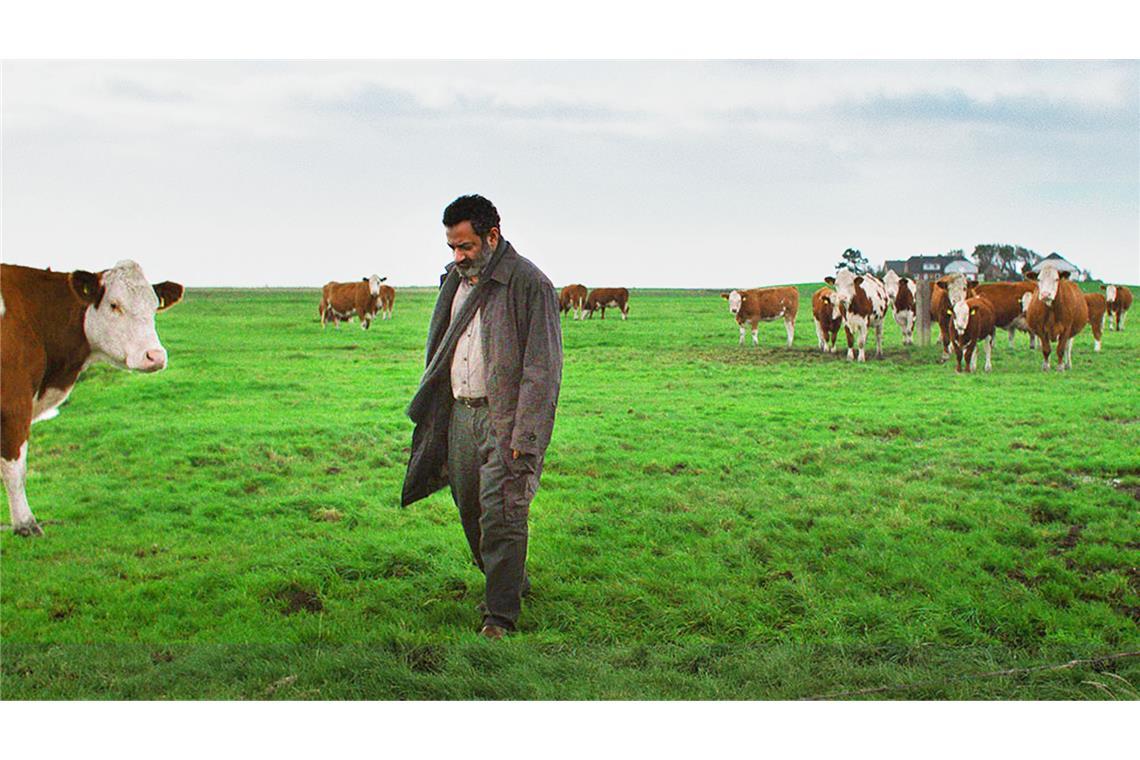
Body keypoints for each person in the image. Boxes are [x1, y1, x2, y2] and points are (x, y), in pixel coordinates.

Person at [402, 195, 562, 639]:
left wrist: (526, 434)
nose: (458, 257)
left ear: (492, 236)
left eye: (466, 247)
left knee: (502, 512)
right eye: (452, 247)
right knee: (470, 509)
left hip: (504, 419)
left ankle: (500, 617)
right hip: (459, 415)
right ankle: (509, 580)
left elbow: (542, 368)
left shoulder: (530, 284)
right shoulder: (453, 283)